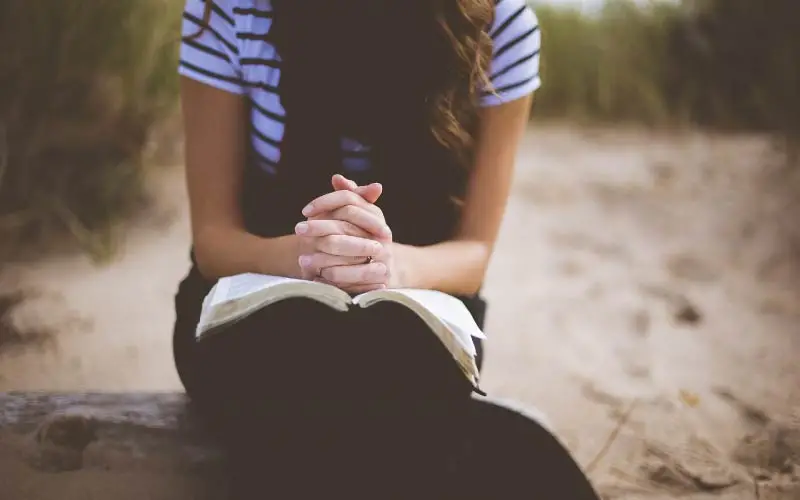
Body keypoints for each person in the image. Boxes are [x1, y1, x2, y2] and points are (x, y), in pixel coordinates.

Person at [172, 0, 600, 498]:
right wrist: (311, 256)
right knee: (300, 376)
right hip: (253, 297)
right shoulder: (230, 9)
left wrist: (388, 265)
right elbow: (214, 242)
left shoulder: (500, 25)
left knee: (389, 371)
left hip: (418, 304)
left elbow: (473, 254)